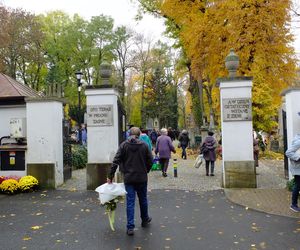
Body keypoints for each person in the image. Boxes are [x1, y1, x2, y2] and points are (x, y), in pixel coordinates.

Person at [108, 127, 153, 235]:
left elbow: (116, 161)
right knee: (143, 199)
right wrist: (146, 170)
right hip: (141, 177)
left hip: (129, 178)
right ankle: (145, 219)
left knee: (130, 202)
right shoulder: (144, 145)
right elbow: (150, 160)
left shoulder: (124, 145)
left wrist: (110, 175)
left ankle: (130, 227)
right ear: (139, 135)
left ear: (129, 134)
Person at [285, 133, 300, 212]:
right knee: (297, 186)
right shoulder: (298, 142)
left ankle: (294, 204)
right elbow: (288, 152)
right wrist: (298, 158)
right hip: (298, 168)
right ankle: (293, 205)